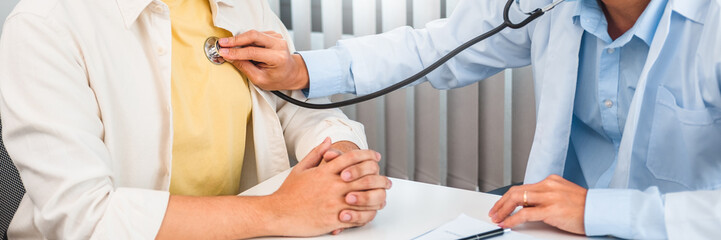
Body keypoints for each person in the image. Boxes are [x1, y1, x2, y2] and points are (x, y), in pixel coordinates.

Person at [216, 0, 721, 239]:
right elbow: (438, 47)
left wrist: (599, 210)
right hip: (552, 232)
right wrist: (302, 67)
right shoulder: (547, 5)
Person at [0, 0, 391, 239]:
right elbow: (86, 221)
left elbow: (287, 103)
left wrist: (341, 161)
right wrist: (280, 210)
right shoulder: (43, 24)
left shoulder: (242, 6)